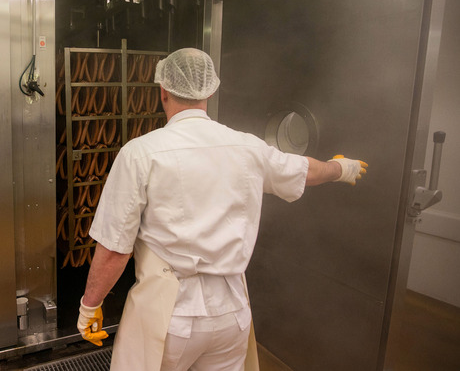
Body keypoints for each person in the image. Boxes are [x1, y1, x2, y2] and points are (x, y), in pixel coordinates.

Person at [76, 48, 368, 371]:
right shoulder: (247, 146)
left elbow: (116, 250)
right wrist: (342, 168)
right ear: (211, 91)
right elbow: (305, 170)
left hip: (171, 316)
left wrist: (90, 305)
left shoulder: (140, 154)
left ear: (163, 92)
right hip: (232, 314)